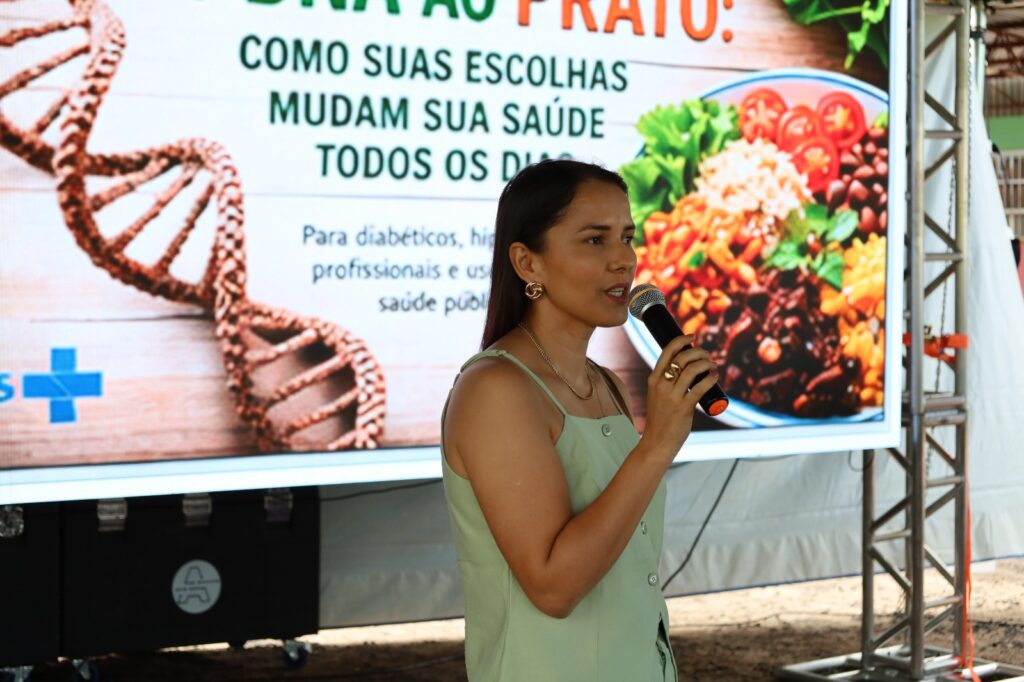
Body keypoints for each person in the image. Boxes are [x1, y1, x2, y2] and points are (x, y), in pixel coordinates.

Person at [440, 159, 720, 681]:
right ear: (528, 263)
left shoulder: (607, 384)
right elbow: (554, 588)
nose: (623, 260)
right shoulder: (496, 389)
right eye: (595, 240)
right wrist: (657, 444)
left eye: (627, 238)